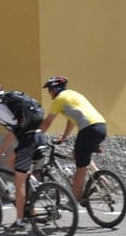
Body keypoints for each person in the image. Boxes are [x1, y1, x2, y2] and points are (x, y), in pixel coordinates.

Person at [0, 85, 47, 233]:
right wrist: (2, 150)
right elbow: (12, 132)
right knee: (11, 160)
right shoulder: (13, 110)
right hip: (39, 137)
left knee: (19, 184)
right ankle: (33, 200)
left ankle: (20, 221)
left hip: (27, 142)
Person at [40, 75, 107, 204]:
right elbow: (72, 121)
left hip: (88, 129)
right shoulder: (74, 95)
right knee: (79, 154)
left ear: (55, 88)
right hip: (101, 127)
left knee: (80, 168)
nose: (49, 93)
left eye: (50, 89)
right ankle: (101, 177)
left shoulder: (59, 99)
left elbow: (47, 122)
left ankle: (73, 201)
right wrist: (63, 137)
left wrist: (36, 136)